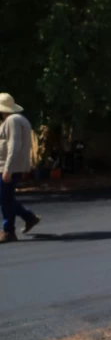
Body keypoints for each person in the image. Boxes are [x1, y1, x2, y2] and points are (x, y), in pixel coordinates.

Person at [0, 93, 40, 243]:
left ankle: (9, 231)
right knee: (5, 198)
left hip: (7, 167)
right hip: (6, 166)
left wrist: (8, 169)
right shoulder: (13, 120)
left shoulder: (12, 120)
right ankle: (29, 217)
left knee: (5, 198)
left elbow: (14, 145)